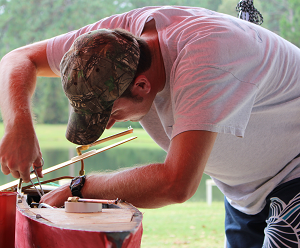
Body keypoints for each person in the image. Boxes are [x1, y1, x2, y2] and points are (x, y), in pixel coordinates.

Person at [1, 6, 300, 247]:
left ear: (142, 85)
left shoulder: (204, 62)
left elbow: (176, 184)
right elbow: (19, 58)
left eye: (111, 112)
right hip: (243, 193)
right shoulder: (106, 43)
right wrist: (19, 126)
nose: (108, 127)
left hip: (292, 173)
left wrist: (77, 188)